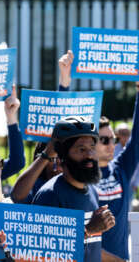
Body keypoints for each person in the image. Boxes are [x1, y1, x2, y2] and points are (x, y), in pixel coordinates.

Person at [32, 116, 115, 262]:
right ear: (62, 155)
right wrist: (89, 229)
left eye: (92, 148)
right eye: (81, 149)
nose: (89, 155)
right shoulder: (50, 196)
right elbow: (42, 254)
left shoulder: (92, 191)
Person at [10, 50, 73, 203]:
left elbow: (60, 121)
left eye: (62, 159)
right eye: (52, 159)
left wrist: (64, 80)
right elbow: (17, 195)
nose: (58, 166)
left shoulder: (76, 186)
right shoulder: (33, 188)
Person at [94, 84, 139, 262]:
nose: (112, 145)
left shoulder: (121, 169)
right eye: (104, 140)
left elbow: (136, 139)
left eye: (112, 140)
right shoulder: (79, 178)